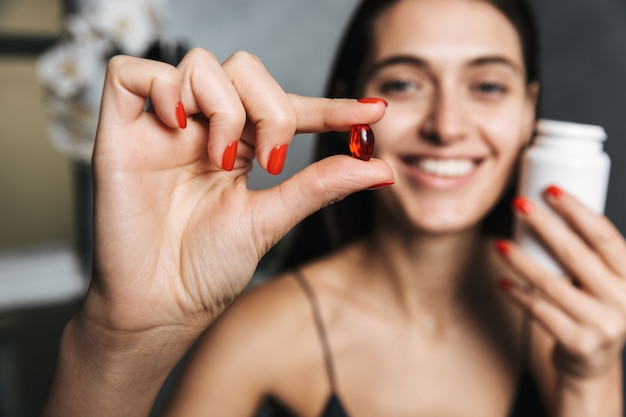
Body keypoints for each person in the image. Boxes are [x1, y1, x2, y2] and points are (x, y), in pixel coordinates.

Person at [42, 0, 626, 416]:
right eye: (404, 84)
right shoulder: (260, 334)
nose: (447, 127)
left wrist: (591, 380)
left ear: (530, 110)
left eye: (488, 86)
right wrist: (118, 340)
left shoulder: (576, 321)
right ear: (354, 111)